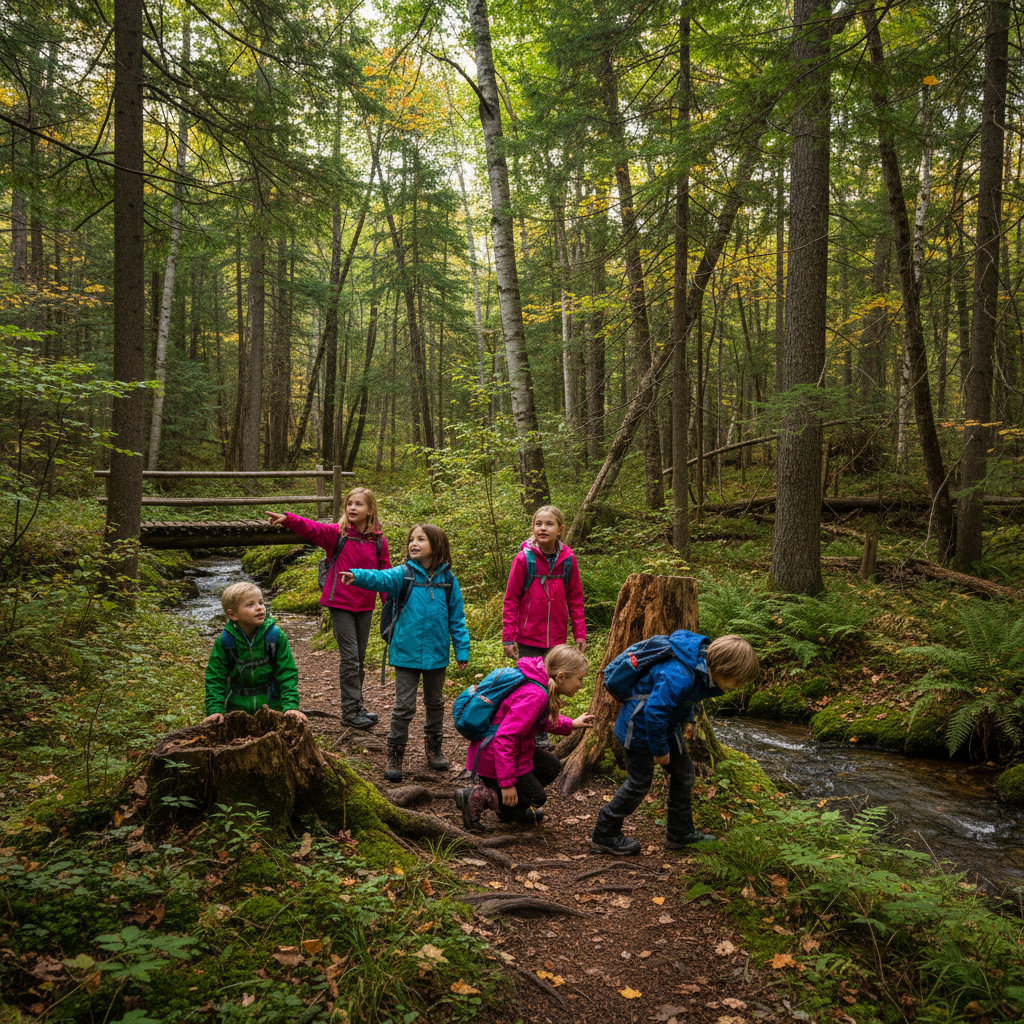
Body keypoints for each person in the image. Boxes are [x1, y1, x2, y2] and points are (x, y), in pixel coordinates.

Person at [589, 632, 759, 856]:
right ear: (724, 668)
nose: (738, 687)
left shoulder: (702, 669)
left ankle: (679, 834)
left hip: (665, 726)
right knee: (639, 783)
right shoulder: (679, 673)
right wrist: (660, 752)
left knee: (684, 773)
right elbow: (654, 711)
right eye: (737, 681)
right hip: (639, 727)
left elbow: (683, 699)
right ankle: (604, 833)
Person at [337, 523, 469, 783]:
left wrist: (461, 650)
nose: (414, 543)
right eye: (412, 539)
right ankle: (395, 755)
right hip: (406, 652)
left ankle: (434, 749)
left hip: (437, 653)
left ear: (437, 546)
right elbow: (381, 578)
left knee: (436, 703)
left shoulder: (448, 580)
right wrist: (357, 575)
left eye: (421, 539)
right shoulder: (404, 573)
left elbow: (457, 618)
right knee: (404, 707)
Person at [266, 487, 390, 730]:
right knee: (351, 657)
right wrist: (289, 520)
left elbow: (385, 575)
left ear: (370, 510)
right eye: (349, 504)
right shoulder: (338, 534)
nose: (352, 508)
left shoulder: (378, 541)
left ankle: (358, 705)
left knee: (360, 658)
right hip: (339, 603)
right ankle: (350, 711)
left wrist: (390, 605)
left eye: (359, 504)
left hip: (365, 605)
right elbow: (313, 528)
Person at [455, 645, 595, 832]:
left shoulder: (538, 683)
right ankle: (478, 796)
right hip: (494, 755)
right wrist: (507, 784)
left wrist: (571, 724)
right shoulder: (535, 694)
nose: (581, 685)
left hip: (510, 752)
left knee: (551, 765)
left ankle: (508, 807)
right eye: (579, 679)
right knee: (537, 798)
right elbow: (505, 738)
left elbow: (541, 720)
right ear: (561, 676)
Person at [501, 505, 586, 748]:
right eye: (538, 524)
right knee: (531, 685)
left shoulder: (568, 560)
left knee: (554, 684)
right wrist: (509, 637)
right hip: (528, 636)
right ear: (533, 528)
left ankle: (545, 729)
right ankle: (526, 729)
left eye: (549, 524)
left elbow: (576, 598)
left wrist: (579, 632)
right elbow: (511, 599)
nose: (543, 528)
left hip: (557, 638)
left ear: (561, 529)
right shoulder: (523, 559)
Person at [203, 582, 307, 725]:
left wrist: (290, 707)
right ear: (233, 615)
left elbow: (287, 673)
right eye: (250, 605)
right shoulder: (226, 641)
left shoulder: (275, 636)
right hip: (237, 712)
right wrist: (215, 709)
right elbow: (215, 678)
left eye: (261, 602)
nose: (259, 608)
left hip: (273, 709)